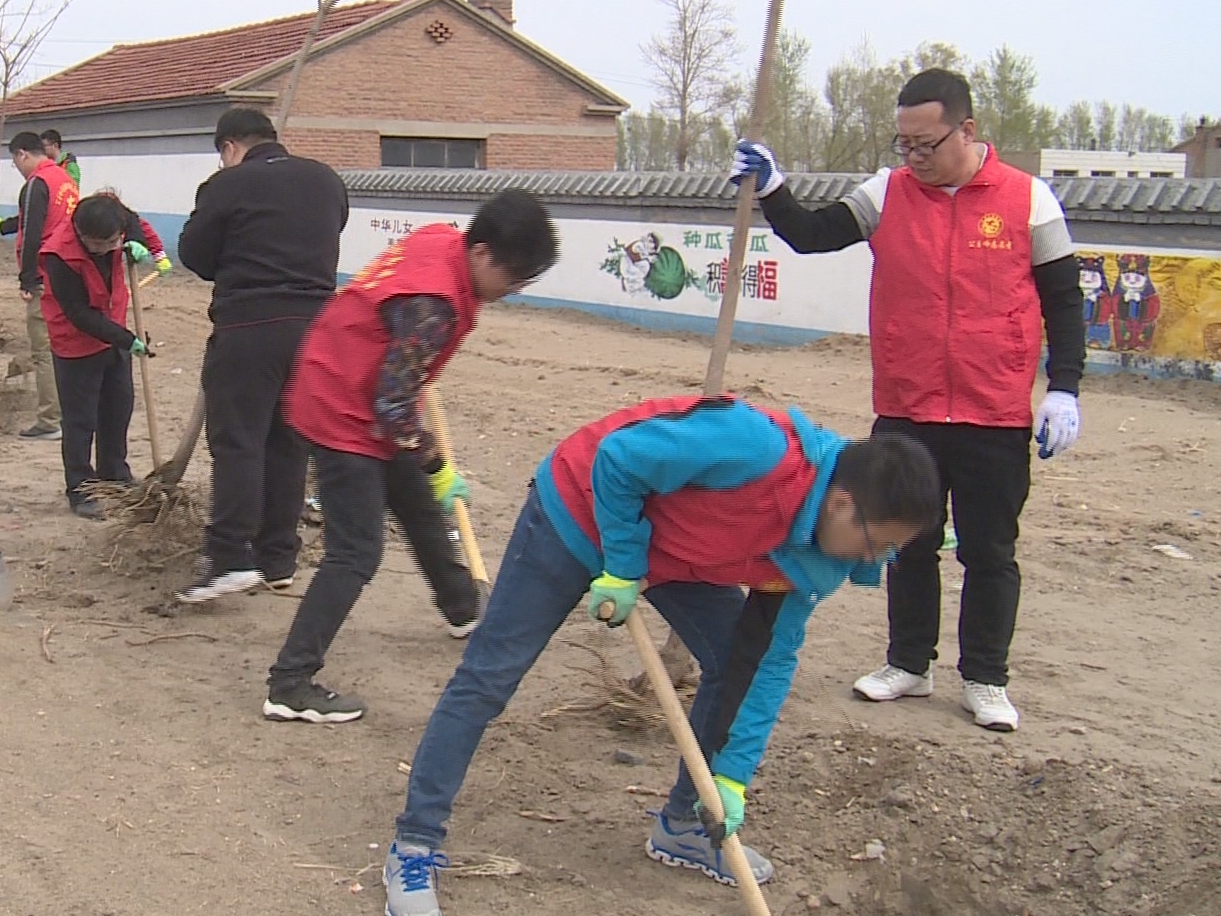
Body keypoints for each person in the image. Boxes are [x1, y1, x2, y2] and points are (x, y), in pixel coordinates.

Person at [380, 397, 942, 914]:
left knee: (730, 660)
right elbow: (619, 458)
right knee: (490, 677)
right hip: (578, 511)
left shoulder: (823, 555)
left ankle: (683, 825)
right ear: (844, 505)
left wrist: (731, 779)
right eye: (881, 543)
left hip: (674, 551)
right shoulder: (756, 447)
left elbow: (766, 663)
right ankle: (415, 843)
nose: (879, 559)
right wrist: (623, 566)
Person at [735, 67, 1086, 733]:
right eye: (904, 145)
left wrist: (1063, 386)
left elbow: (1064, 302)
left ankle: (985, 676)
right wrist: (775, 188)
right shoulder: (888, 194)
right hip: (908, 406)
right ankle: (908, 663)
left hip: (993, 412)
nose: (913, 158)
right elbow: (811, 234)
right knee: (907, 542)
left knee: (988, 549)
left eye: (925, 145)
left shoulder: (1027, 199)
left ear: (967, 129)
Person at [265, 191, 559, 724]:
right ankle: (289, 682)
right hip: (340, 409)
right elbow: (394, 409)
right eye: (512, 281)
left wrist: (420, 447)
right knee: (356, 553)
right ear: (484, 254)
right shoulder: (435, 308)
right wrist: (437, 464)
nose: (510, 293)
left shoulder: (443, 242)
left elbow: (397, 380)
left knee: (419, 507)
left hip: (356, 387)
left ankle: (464, 608)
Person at [175, 107, 348, 602]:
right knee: (289, 442)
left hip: (250, 326)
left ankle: (229, 556)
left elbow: (195, 255)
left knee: (238, 441)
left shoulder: (225, 185)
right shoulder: (326, 180)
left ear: (229, 147)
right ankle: (278, 557)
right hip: (316, 330)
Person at [40, 192, 156, 519]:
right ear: (79, 231)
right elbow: (79, 314)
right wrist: (126, 338)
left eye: (111, 243)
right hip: (75, 342)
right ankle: (80, 487)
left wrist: (134, 240)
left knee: (118, 407)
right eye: (97, 245)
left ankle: (114, 472)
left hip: (113, 331)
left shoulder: (114, 223)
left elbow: (131, 218)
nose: (105, 250)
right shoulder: (58, 256)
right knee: (80, 420)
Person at [0, 132, 80, 440]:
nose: (18, 169)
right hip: (70, 273)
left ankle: (50, 419)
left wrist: (27, 279)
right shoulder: (64, 181)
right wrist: (2, 225)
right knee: (67, 345)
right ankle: (70, 412)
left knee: (44, 349)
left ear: (22, 154)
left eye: (16, 163)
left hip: (46, 276)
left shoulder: (36, 184)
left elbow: (32, 233)